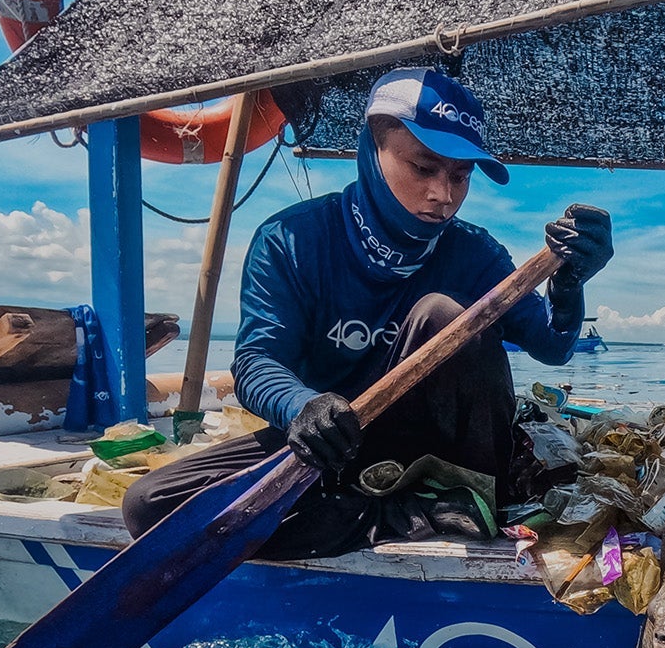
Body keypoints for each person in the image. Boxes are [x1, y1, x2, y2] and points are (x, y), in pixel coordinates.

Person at [123, 67, 613, 556]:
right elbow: (255, 365)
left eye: (460, 176)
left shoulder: (474, 253)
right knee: (150, 505)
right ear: (372, 152)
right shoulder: (292, 240)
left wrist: (568, 285)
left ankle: (465, 498)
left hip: (443, 462)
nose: (444, 195)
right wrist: (301, 407)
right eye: (424, 168)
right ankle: (389, 516)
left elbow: (552, 346)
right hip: (335, 446)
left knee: (440, 313)